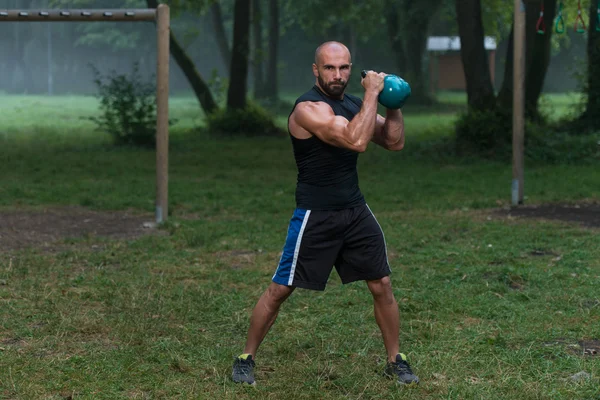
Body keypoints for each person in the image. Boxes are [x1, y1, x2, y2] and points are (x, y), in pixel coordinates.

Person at [231, 41, 419, 387]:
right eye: (330, 68)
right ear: (316, 70)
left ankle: (396, 360)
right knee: (280, 290)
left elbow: (393, 142)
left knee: (382, 283)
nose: (338, 75)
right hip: (315, 215)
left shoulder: (352, 104)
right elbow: (355, 141)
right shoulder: (307, 109)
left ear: (351, 68)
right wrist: (373, 94)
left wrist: (393, 105)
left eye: (344, 67)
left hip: (355, 210)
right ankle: (246, 357)